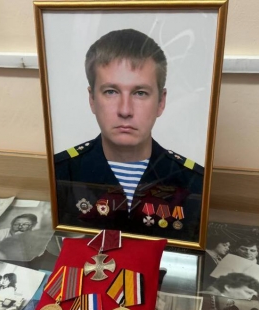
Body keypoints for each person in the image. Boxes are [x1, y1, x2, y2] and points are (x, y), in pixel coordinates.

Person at [54, 29, 204, 242]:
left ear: (161, 102)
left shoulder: (193, 181)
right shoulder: (61, 173)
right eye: (111, 92)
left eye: (140, 93)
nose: (125, 110)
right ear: (92, 99)